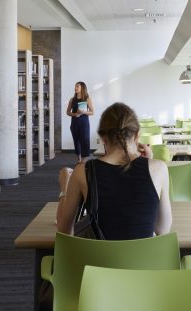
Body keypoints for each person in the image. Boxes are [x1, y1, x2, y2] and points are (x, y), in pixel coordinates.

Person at [57, 102, 172, 240]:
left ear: (103, 138)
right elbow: (162, 229)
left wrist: (65, 187)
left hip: (95, 261)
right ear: (137, 135)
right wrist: (148, 163)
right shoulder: (159, 169)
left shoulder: (82, 171)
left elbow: (64, 231)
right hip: (144, 261)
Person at [67, 81, 94, 163]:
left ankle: (84, 159)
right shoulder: (72, 99)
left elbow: (92, 112)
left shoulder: (87, 99)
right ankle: (79, 159)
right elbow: (68, 112)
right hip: (75, 123)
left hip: (84, 123)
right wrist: (75, 114)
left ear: (82, 88)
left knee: (85, 140)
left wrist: (83, 112)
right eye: (75, 86)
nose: (75, 88)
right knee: (76, 141)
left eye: (77, 86)